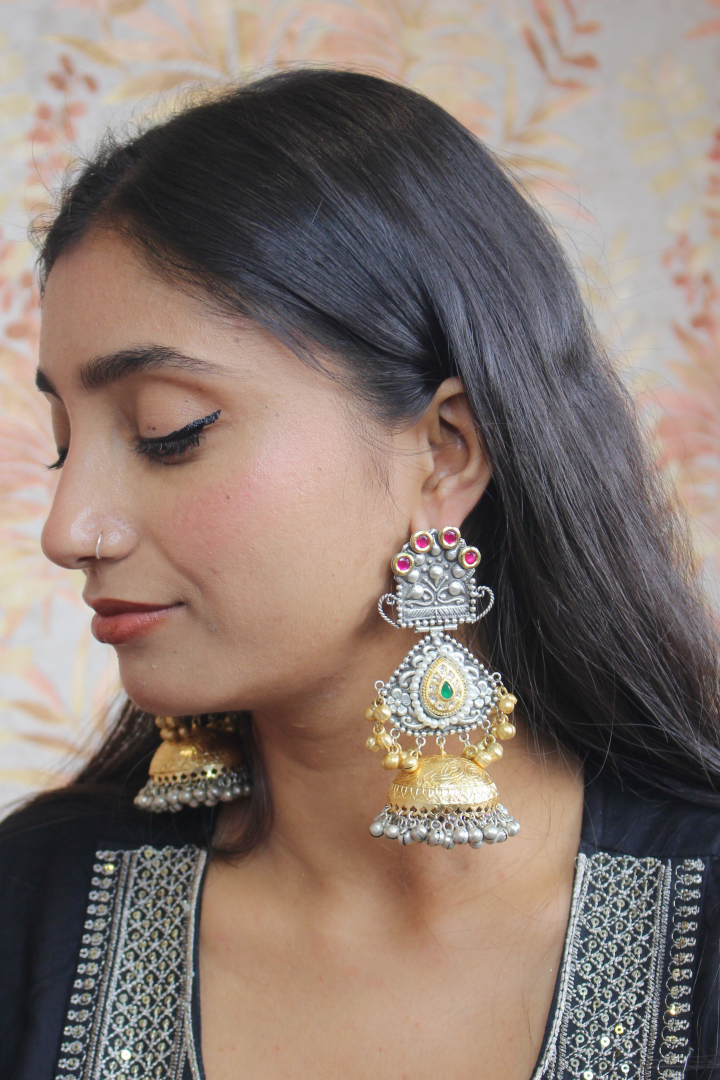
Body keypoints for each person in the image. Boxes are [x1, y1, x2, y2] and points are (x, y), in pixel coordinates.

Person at [1, 68, 719, 1080]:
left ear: (445, 452)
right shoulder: (33, 913)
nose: (70, 528)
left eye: (167, 431)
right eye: (63, 443)